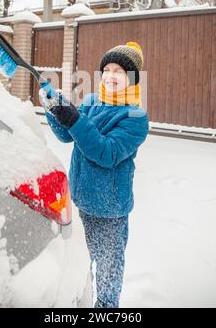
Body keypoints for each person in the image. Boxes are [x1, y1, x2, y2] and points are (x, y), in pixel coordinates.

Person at [39, 41, 149, 308]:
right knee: (79, 263)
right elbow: (67, 135)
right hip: (79, 200)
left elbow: (106, 153)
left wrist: (75, 119)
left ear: (132, 79)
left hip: (110, 210)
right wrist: (55, 108)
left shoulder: (135, 117)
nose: (110, 76)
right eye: (107, 69)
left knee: (109, 270)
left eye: (119, 71)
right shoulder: (91, 101)